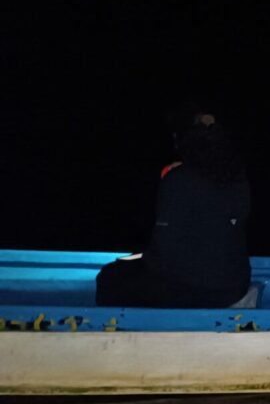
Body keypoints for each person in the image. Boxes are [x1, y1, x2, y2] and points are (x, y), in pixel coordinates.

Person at [95, 104, 252, 308]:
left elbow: (163, 253)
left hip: (194, 289)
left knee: (109, 277)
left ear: (185, 143)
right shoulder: (238, 178)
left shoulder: (177, 180)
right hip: (234, 286)